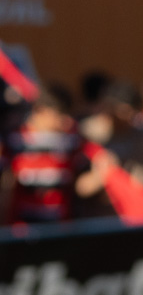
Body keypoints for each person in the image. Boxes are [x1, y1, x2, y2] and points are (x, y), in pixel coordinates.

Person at [1, 85, 104, 224]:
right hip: (22, 227)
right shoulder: (15, 139)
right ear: (41, 111)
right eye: (59, 114)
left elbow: (100, 159)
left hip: (59, 226)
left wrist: (97, 178)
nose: (65, 120)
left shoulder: (71, 139)